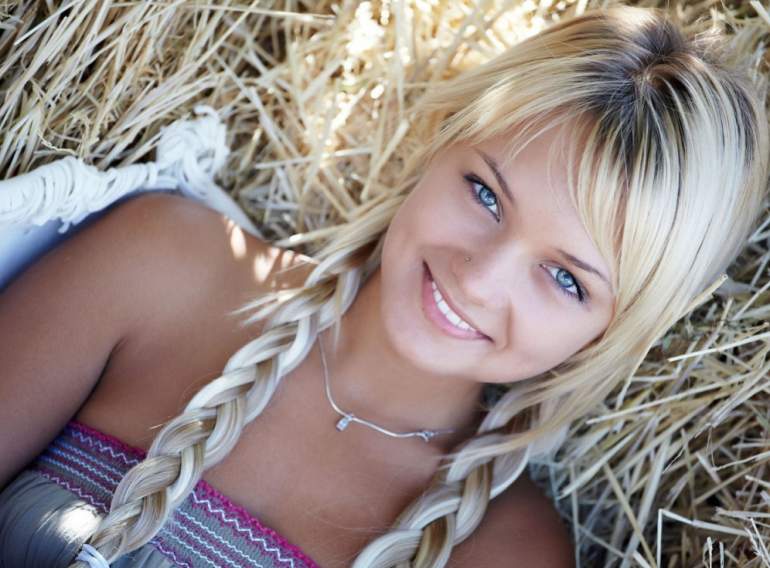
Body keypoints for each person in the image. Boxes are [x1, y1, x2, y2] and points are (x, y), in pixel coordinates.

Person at [0, 5, 767, 567]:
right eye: (486, 194)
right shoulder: (166, 265)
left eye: (566, 278)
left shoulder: (505, 551)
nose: (479, 277)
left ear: (616, 327)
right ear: (439, 143)